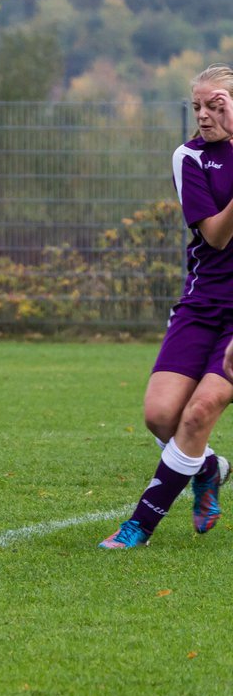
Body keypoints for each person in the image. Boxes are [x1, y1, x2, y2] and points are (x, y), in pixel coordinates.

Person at [101, 63, 233, 548]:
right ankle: (209, 467)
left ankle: (140, 524)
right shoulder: (190, 157)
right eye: (197, 106)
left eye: (215, 105)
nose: (203, 115)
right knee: (160, 416)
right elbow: (217, 236)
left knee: (200, 412)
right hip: (202, 305)